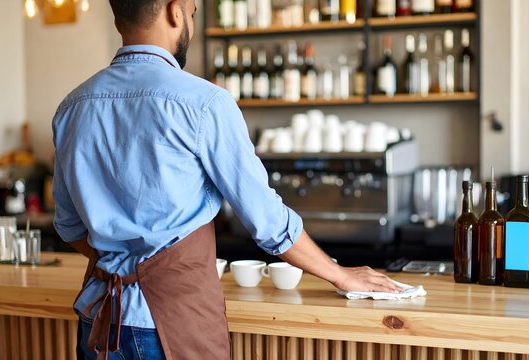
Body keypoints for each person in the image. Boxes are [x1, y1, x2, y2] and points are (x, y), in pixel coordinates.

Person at [52, 0, 402, 358]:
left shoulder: (72, 107)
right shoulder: (203, 103)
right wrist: (340, 275)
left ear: (117, 18)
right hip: (172, 325)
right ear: (176, 11)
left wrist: (124, 260)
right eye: (191, 13)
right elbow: (266, 221)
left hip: (98, 319)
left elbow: (69, 226)